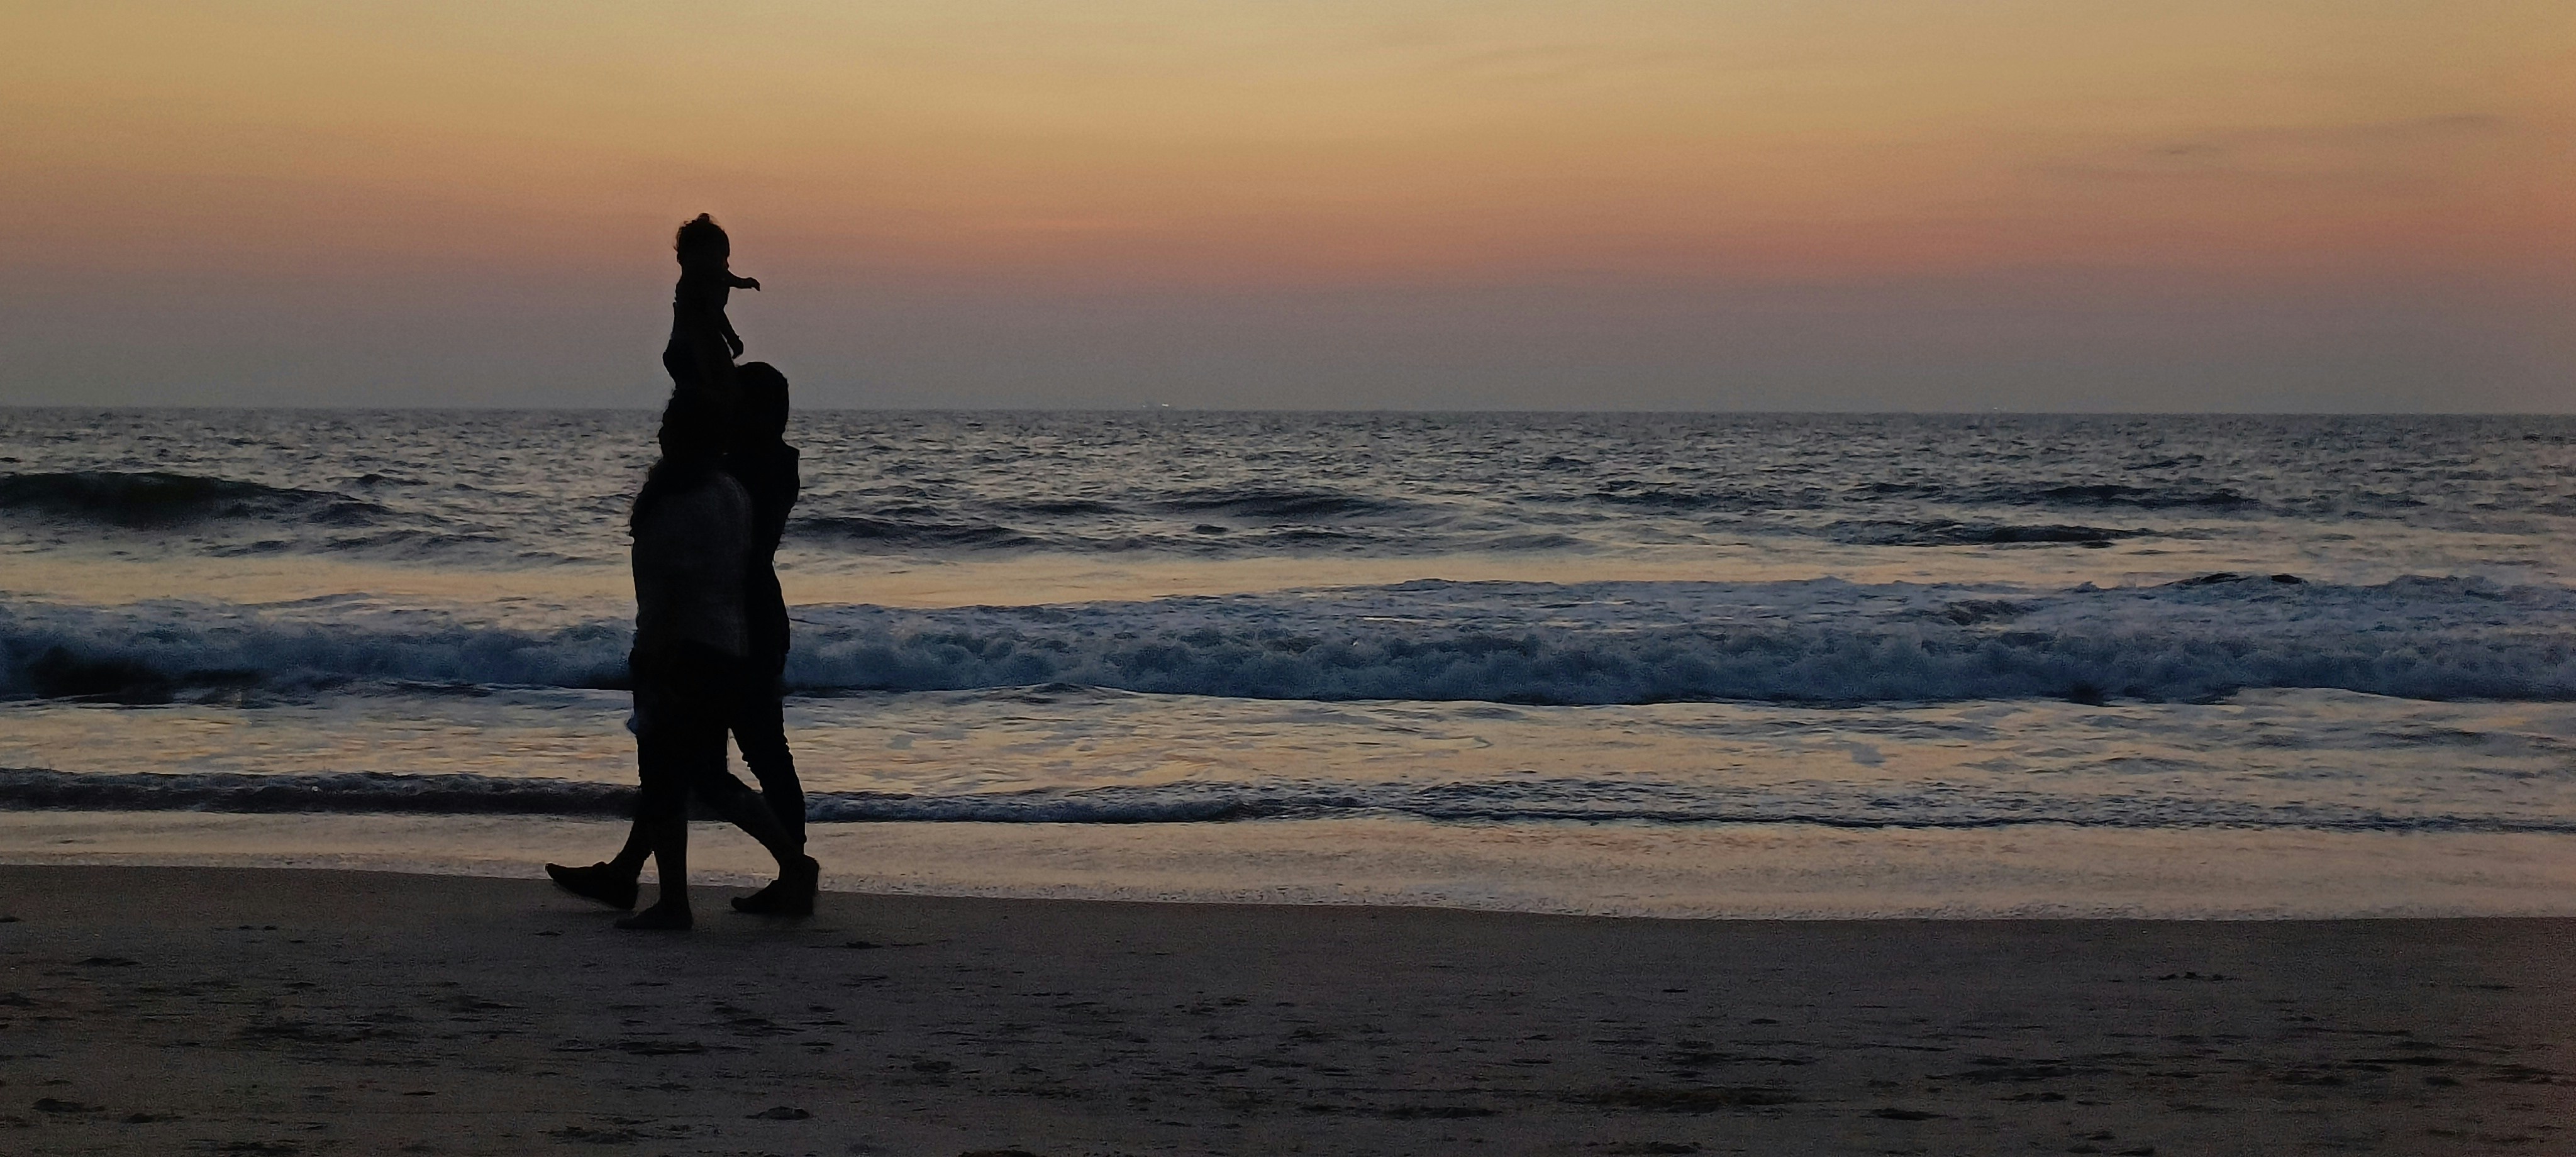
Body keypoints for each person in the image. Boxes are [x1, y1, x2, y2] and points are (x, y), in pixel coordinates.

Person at [549, 389, 816, 931]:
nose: (660, 434)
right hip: (724, 644)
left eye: (669, 426)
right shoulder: (732, 493)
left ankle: (677, 900)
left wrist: (653, 656)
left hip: (677, 646)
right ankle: (786, 862)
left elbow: (670, 584)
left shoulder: (681, 498)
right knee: (706, 776)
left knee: (668, 773)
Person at [665, 213, 760, 409]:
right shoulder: (698, 282)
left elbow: (716, 313)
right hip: (698, 347)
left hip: (683, 348)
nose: (725, 265)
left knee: (703, 395)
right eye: (720, 258)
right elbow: (713, 310)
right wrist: (742, 282)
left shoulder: (698, 283)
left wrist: (733, 339)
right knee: (721, 395)